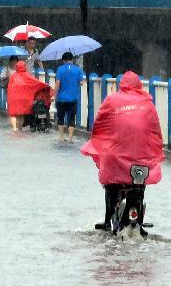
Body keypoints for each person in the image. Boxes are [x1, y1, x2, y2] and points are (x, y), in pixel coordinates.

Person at [81, 71, 164, 231]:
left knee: (111, 185)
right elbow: (155, 131)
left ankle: (107, 221)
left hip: (115, 157)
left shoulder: (112, 100)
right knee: (139, 185)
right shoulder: (147, 103)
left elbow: (100, 124)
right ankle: (138, 217)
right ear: (139, 85)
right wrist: (154, 151)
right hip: (140, 157)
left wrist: (98, 140)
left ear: (122, 85)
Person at [6, 61, 49, 132]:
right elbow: (36, 83)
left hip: (14, 98)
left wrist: (9, 98)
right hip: (23, 98)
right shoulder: (27, 75)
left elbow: (10, 88)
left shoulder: (13, 76)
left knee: (13, 114)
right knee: (21, 114)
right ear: (24, 67)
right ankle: (20, 129)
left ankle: (14, 129)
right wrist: (45, 85)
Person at [53, 52, 85, 142]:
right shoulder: (78, 69)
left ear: (63, 60)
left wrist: (53, 95)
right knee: (71, 119)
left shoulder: (60, 69)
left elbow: (58, 83)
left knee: (60, 118)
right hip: (73, 98)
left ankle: (61, 137)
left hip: (61, 98)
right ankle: (70, 138)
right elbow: (81, 83)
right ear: (72, 59)